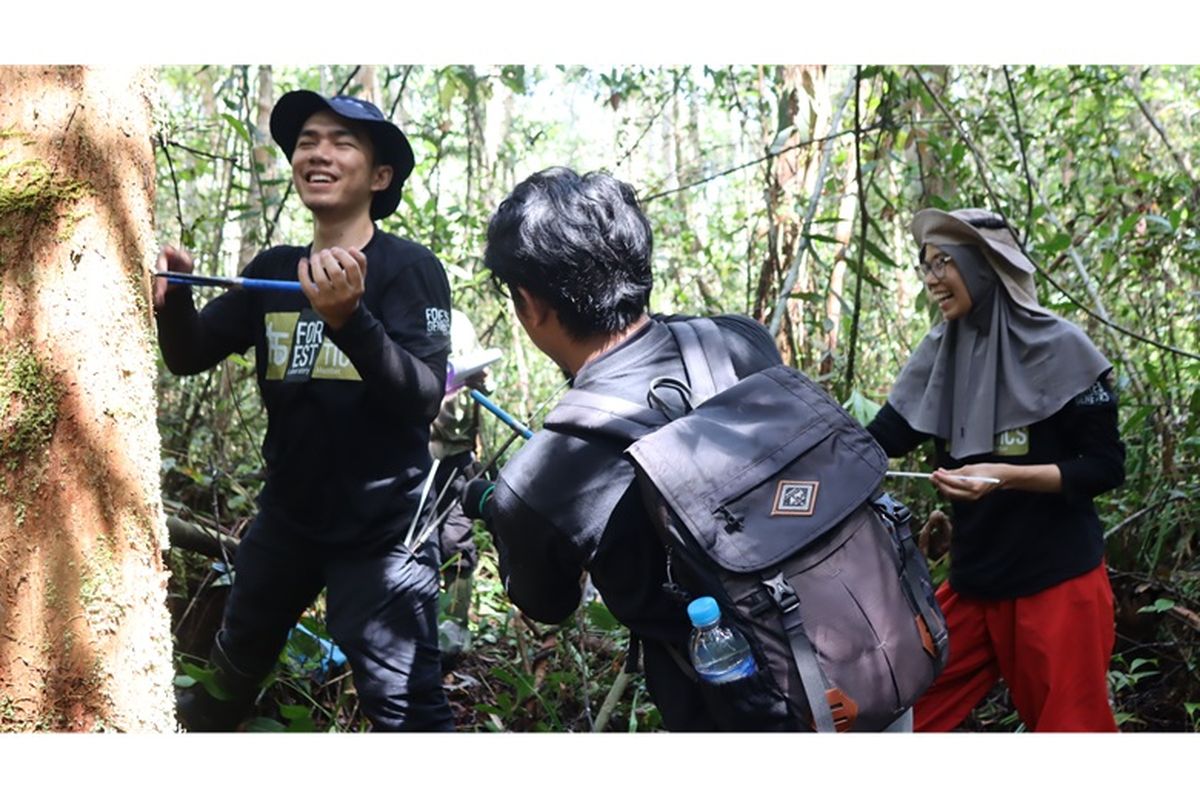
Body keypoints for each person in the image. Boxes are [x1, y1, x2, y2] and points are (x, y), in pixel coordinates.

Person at [475, 166, 899, 731]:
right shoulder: (739, 340)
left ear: (529, 303)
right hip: (882, 655)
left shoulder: (540, 478)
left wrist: (493, 508)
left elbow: (548, 604)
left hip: (754, 721)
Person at [155, 91, 455, 731]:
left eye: (343, 142)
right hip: (286, 522)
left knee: (406, 712)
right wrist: (175, 297)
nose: (318, 152)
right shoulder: (272, 270)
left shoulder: (409, 270)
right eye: (308, 140)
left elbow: (423, 396)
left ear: (379, 177)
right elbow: (190, 356)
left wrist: (349, 321)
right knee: (228, 679)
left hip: (383, 535)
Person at [866, 208, 1125, 732]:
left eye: (945, 262)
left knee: (1071, 733)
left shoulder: (1063, 348)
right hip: (974, 583)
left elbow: (1104, 467)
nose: (933, 278)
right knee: (899, 712)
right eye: (926, 265)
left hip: (1056, 585)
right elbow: (879, 442)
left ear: (983, 266)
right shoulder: (940, 354)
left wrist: (1007, 476)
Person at [430, 309, 487, 660]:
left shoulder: (461, 321)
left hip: (457, 452)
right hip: (417, 452)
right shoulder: (402, 313)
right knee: (414, 542)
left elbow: (483, 374)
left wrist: (479, 378)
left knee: (456, 540)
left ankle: (453, 629)